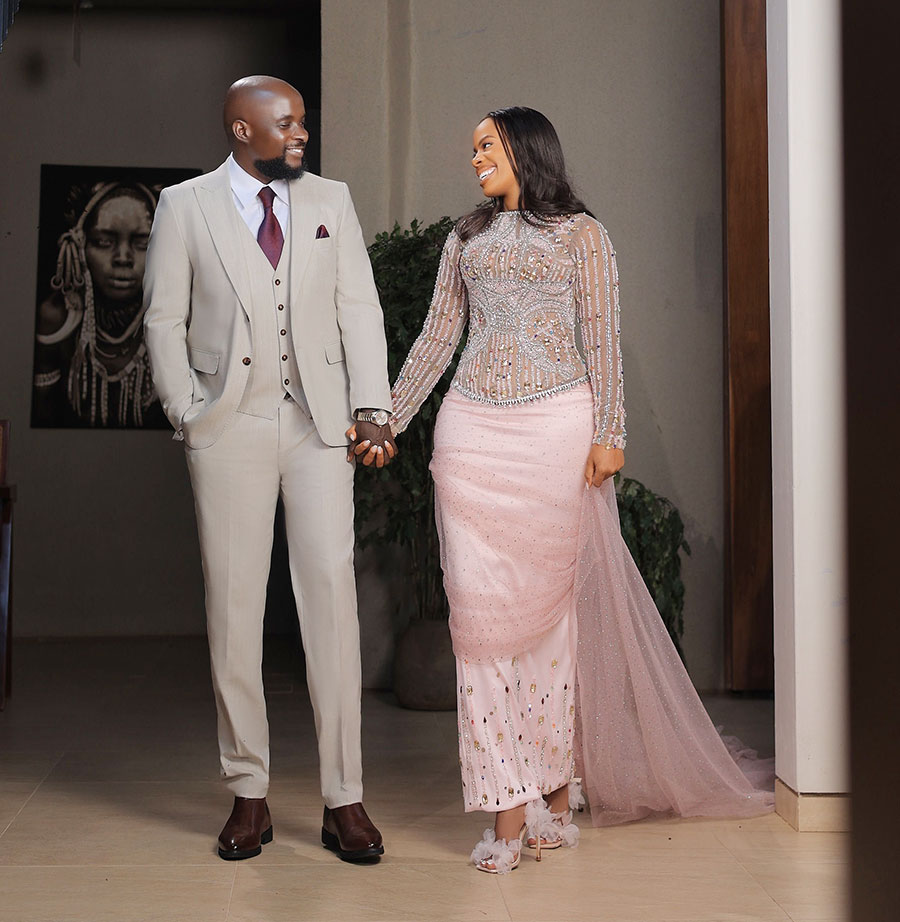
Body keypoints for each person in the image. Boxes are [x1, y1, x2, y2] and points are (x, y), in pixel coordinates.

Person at [365, 106, 773, 874]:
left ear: (525, 148)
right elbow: (438, 336)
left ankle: (553, 798)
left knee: (553, 627)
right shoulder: (465, 239)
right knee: (479, 628)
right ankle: (506, 812)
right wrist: (390, 417)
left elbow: (602, 337)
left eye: (486, 144)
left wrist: (610, 432)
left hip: (556, 432)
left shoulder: (584, 235)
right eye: (473, 148)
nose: (475, 158)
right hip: (470, 436)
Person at [143, 76, 397, 863]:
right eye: (285, 123)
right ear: (240, 129)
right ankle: (248, 792)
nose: (300, 134)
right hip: (229, 427)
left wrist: (372, 406)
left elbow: (359, 308)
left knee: (332, 601)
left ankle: (344, 798)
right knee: (234, 608)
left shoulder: (331, 200)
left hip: (320, 426)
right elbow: (163, 317)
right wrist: (189, 413)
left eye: (302, 121)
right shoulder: (185, 206)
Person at [34, 182, 165, 427]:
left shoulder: (183, 323)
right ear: (79, 246)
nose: (123, 258)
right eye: (104, 242)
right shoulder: (57, 318)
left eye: (142, 243)